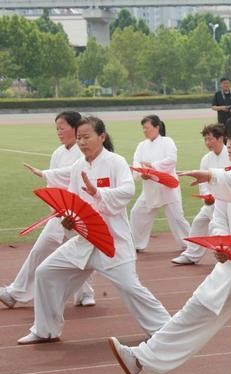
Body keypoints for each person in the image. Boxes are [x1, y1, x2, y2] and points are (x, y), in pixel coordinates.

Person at [108, 114, 231, 374]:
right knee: (196, 308)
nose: (228, 145)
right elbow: (219, 217)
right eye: (228, 138)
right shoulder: (228, 177)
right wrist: (221, 244)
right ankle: (139, 358)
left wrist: (213, 176)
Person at [17, 116, 171, 345]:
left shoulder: (115, 162)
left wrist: (98, 193)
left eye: (86, 137)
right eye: (79, 137)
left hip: (112, 241)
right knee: (45, 272)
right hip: (83, 240)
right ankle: (45, 330)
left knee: (130, 286)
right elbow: (72, 199)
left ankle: (165, 329)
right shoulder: (78, 166)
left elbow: (128, 190)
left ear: (102, 137)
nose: (82, 142)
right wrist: (68, 218)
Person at [0, 111, 96, 309]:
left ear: (75, 128)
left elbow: (74, 174)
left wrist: (45, 173)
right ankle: (14, 293)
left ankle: (85, 294)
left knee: (81, 255)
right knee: (39, 251)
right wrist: (54, 207)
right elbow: (53, 186)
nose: (59, 133)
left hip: (79, 215)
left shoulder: (83, 151)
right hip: (60, 214)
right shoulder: (58, 153)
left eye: (62, 128)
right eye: (57, 129)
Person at [171, 123, 231, 265]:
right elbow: (203, 182)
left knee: (221, 229)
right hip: (211, 203)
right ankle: (191, 255)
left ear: (221, 138)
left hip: (228, 203)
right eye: (205, 139)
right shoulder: (206, 159)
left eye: (211, 139)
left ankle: (227, 256)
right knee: (199, 222)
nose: (208, 143)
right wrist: (206, 196)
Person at [130, 115, 191, 252]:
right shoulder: (141, 146)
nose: (144, 131)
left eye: (147, 128)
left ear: (157, 127)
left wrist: (152, 166)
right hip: (150, 189)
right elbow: (136, 162)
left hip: (167, 187)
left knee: (177, 218)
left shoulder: (167, 141)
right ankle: (137, 244)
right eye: (143, 128)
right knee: (137, 213)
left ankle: (189, 244)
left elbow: (171, 160)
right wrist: (141, 174)